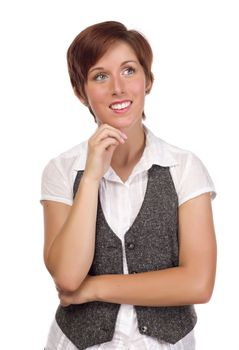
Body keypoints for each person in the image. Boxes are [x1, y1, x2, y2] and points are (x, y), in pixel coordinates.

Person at [41, 21, 217, 350]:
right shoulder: (62, 171)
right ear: (81, 92)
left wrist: (92, 289)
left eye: (129, 70)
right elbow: (66, 276)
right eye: (100, 76)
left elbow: (198, 283)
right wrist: (92, 176)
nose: (118, 88)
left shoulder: (184, 168)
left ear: (148, 80)